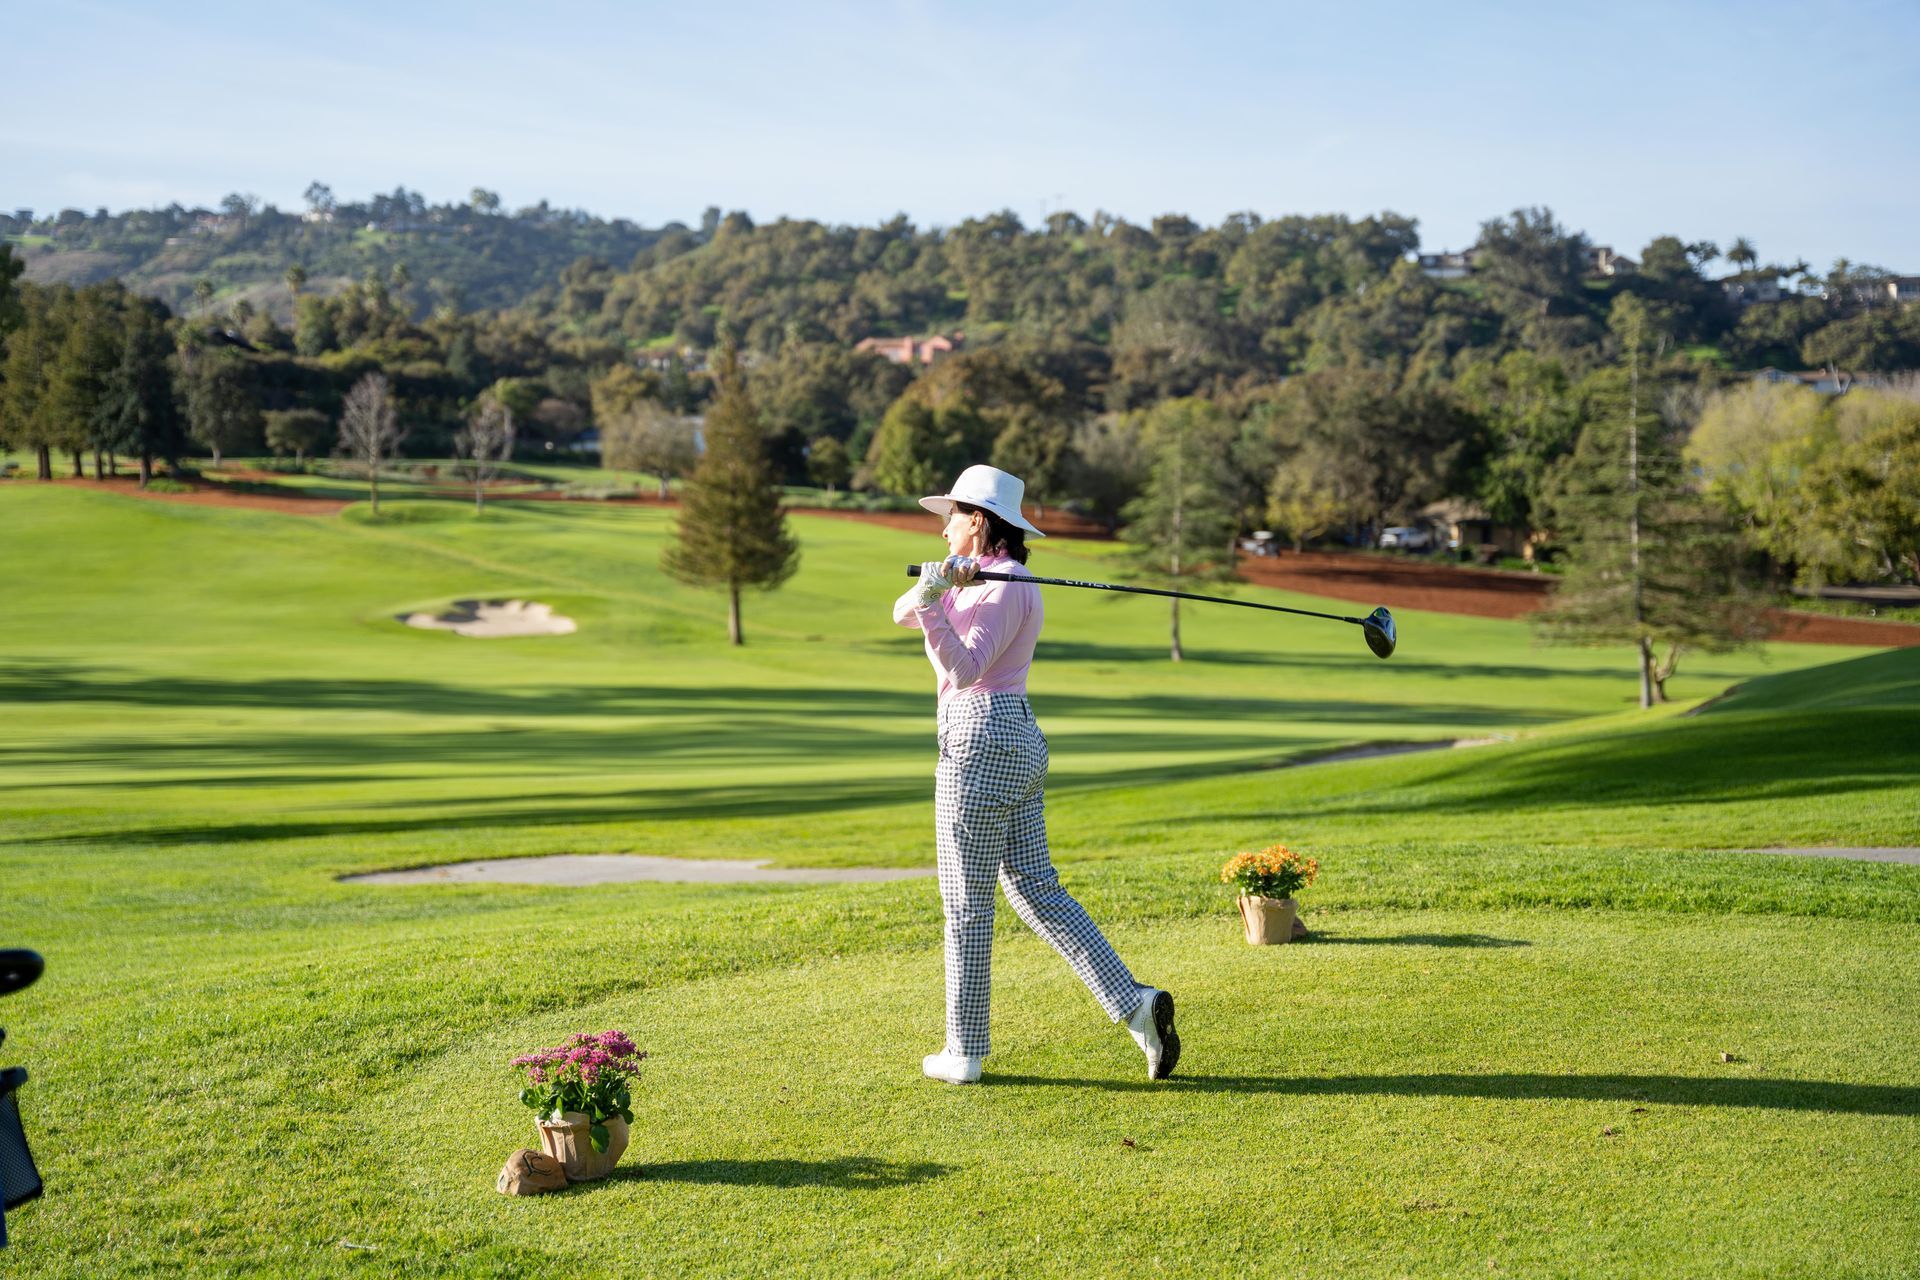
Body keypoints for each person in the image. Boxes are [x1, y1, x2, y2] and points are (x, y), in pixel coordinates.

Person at [893, 464, 1179, 1085]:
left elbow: (965, 669)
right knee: (1034, 889)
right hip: (1014, 740)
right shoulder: (977, 579)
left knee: (966, 906)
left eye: (951, 516)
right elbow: (900, 613)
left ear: (977, 520)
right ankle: (1135, 1006)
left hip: (979, 740)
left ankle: (964, 1052)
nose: (942, 528)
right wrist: (939, 585)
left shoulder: (1009, 586)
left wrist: (933, 602)